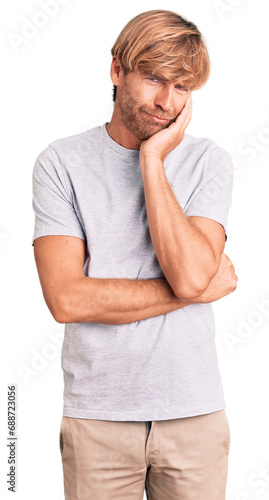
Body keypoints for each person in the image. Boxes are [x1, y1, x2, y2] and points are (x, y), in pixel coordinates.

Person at [32, 9, 238, 500]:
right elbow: (67, 299)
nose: (166, 102)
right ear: (117, 70)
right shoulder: (60, 163)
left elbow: (190, 274)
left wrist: (151, 160)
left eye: (182, 88)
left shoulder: (210, 161)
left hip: (195, 415)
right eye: (154, 79)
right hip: (96, 418)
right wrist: (195, 291)